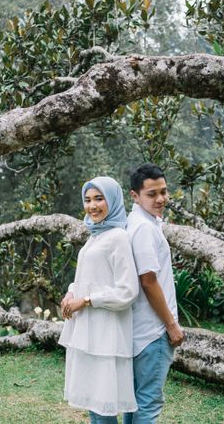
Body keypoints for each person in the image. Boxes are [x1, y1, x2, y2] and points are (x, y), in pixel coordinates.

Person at [58, 176, 139, 424]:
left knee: (103, 405)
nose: (92, 206)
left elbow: (127, 291)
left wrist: (86, 300)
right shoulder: (95, 235)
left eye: (99, 199)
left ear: (112, 200)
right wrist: (71, 292)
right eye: (88, 200)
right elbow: (89, 276)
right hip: (87, 331)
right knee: (92, 403)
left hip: (106, 335)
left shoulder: (118, 237)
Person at [123, 163, 184, 424]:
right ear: (134, 195)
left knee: (135, 403)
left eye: (164, 192)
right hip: (153, 331)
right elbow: (148, 281)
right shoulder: (144, 229)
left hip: (138, 330)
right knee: (148, 404)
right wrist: (171, 325)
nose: (160, 199)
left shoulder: (138, 222)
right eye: (152, 194)